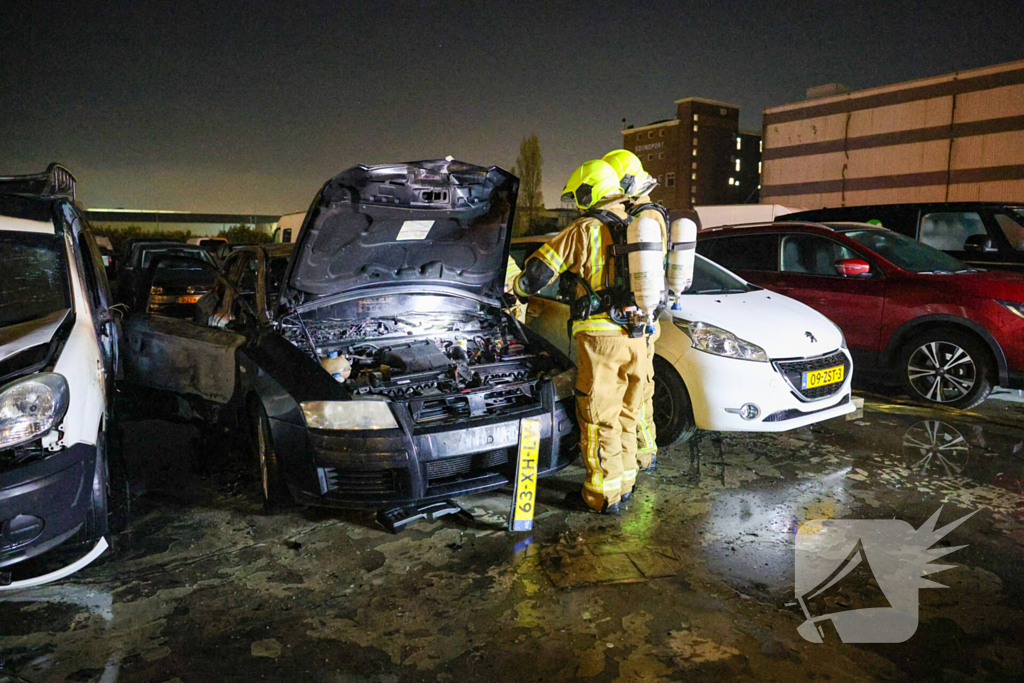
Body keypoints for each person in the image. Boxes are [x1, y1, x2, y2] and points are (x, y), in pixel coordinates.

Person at [511, 159, 646, 514]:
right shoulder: (635, 225)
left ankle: (602, 495)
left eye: (578, 196)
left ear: (590, 191)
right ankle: (625, 483)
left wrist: (516, 289)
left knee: (598, 415)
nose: (577, 204)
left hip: (602, 338)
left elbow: (538, 272)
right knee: (627, 412)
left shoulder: (584, 229)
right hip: (638, 335)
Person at [602, 149, 666, 472]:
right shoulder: (649, 214)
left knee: (637, 395)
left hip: (641, 318)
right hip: (644, 315)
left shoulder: (644, 219)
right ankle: (644, 452)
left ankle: (643, 455)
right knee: (640, 391)